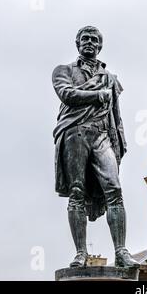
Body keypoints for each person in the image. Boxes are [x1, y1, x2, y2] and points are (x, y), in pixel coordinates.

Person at [52, 25, 138, 268]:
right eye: (85, 39)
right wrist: (98, 95)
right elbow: (67, 94)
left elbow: (115, 115)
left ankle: (121, 251)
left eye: (94, 40)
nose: (89, 42)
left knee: (115, 190)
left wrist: (119, 142)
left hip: (101, 135)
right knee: (77, 192)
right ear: (77, 43)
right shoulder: (63, 70)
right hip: (75, 133)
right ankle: (81, 253)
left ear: (99, 46)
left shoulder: (111, 78)